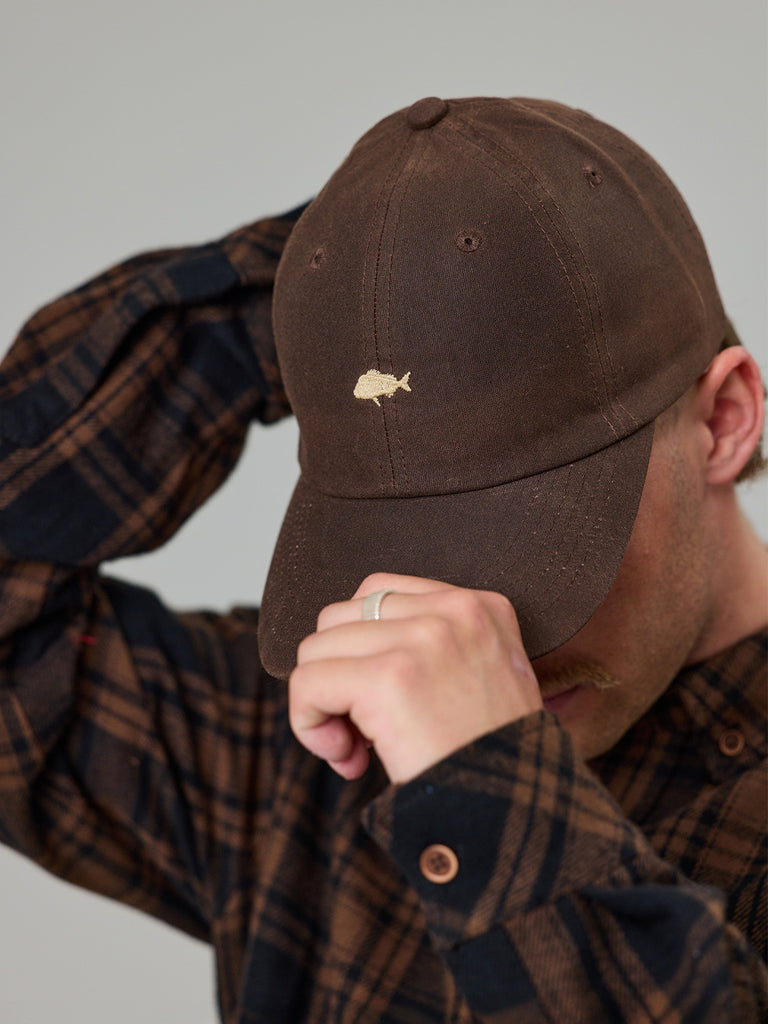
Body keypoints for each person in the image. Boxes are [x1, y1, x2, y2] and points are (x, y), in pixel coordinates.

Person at [0, 95, 765, 1022]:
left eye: (539, 538)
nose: (471, 629)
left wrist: (485, 788)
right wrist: (356, 301)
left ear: (725, 420)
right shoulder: (320, 743)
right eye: (408, 541)